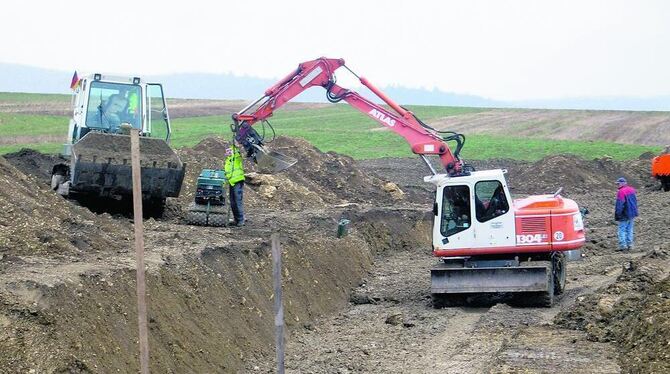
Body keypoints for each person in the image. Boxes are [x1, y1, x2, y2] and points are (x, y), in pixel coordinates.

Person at [614, 177, 638, 251]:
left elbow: (620, 204)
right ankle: (630, 245)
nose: (617, 185)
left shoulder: (621, 192)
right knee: (630, 229)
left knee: (622, 229)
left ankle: (623, 246)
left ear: (621, 183)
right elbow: (634, 201)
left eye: (618, 184)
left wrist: (618, 214)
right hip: (632, 213)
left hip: (624, 213)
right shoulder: (632, 189)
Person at [224, 144, 246, 226]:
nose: (228, 152)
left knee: (237, 201)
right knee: (232, 202)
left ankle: (241, 220)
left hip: (238, 181)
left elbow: (237, 150)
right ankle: (236, 220)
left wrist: (235, 145)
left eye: (230, 151)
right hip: (232, 182)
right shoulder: (228, 160)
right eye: (227, 151)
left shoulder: (236, 157)